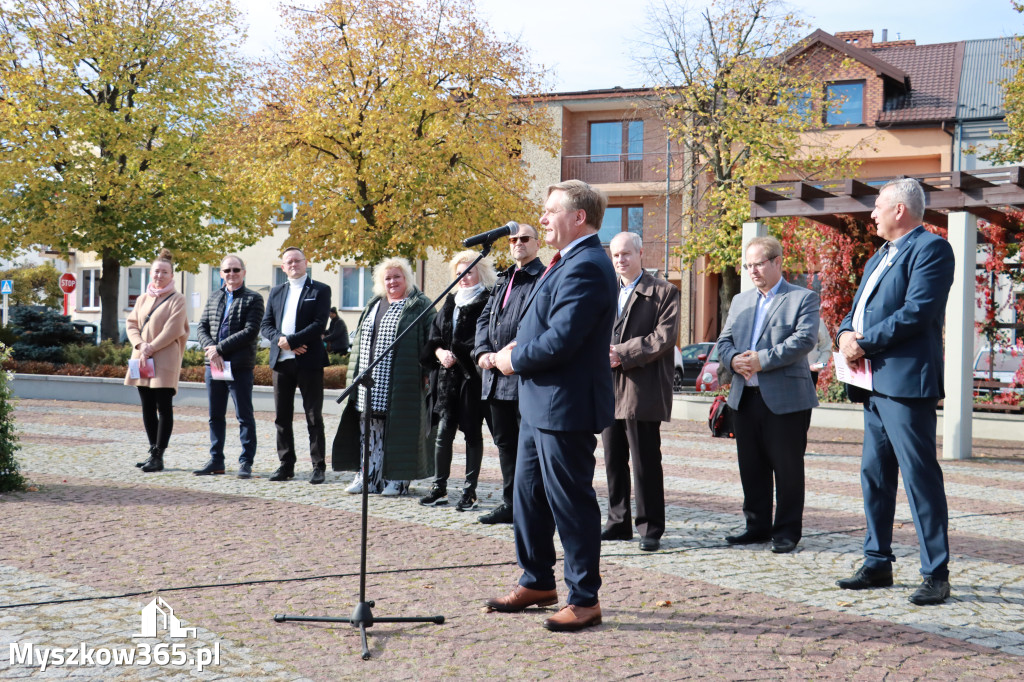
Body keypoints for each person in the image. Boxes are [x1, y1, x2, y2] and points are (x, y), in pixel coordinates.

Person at [486, 180, 616, 633]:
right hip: (539, 402)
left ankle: (584, 598)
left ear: (578, 217)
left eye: (549, 211)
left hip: (566, 405)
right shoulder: (564, 262)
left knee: (570, 503)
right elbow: (545, 324)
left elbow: (562, 340)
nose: (541, 220)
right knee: (527, 496)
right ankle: (537, 580)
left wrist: (512, 358)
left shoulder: (589, 265)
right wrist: (520, 344)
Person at [835, 177, 955, 606]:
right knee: (875, 475)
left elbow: (917, 312)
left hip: (906, 385)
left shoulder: (931, 249)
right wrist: (846, 333)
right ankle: (876, 561)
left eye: (878, 207)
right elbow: (855, 309)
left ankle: (935, 572)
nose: (872, 214)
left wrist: (863, 343)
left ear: (900, 210)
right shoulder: (878, 257)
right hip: (871, 384)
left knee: (920, 478)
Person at [717, 236, 819, 555]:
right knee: (752, 466)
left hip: (786, 400)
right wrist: (733, 359)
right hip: (745, 398)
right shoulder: (740, 301)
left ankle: (787, 531)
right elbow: (723, 341)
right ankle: (756, 526)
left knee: (787, 468)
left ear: (777, 262)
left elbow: (803, 341)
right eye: (748, 266)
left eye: (759, 264)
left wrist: (761, 360)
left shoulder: (803, 298)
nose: (753, 271)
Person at [600, 232, 680, 553]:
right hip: (607, 389)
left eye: (626, 254)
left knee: (645, 461)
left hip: (641, 389)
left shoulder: (663, 292)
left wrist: (622, 352)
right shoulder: (605, 293)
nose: (620, 260)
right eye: (616, 255)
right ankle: (618, 523)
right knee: (612, 459)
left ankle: (650, 528)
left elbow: (665, 337)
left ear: (641, 253)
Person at [332, 257, 436, 496]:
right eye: (387, 278)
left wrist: (429, 374)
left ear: (407, 278)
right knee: (369, 429)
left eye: (397, 277)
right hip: (370, 380)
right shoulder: (374, 303)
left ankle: (398, 479)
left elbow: (433, 340)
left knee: (400, 430)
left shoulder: (419, 305)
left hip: (402, 380)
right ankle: (368, 476)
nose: (392, 282)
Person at [474, 224, 546, 524]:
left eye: (524, 239)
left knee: (529, 449)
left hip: (523, 378)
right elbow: (484, 318)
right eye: (513, 239)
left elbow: (537, 324)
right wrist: (481, 353)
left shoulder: (543, 278)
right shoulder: (504, 279)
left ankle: (532, 507)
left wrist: (509, 353)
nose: (518, 243)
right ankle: (510, 504)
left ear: (537, 243)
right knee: (505, 445)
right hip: (493, 378)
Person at [419, 251, 495, 511]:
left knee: (473, 434)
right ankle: (439, 488)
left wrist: (459, 354)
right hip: (446, 380)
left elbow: (486, 338)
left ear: (480, 273)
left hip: (471, 378)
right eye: (460, 273)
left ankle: (469, 491)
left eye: (469, 272)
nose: (464, 278)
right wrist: (440, 353)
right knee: (443, 435)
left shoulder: (488, 300)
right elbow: (435, 336)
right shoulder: (450, 301)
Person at [261, 247, 332, 484]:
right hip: (281, 363)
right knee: (282, 417)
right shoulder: (277, 291)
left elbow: (319, 324)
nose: (293, 265)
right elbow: (266, 325)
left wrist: (292, 341)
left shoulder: (320, 290)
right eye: (288, 262)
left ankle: (318, 466)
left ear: (306, 263)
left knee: (313, 416)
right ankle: (285, 465)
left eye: (297, 261)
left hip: (309, 362)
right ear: (283, 267)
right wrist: (282, 341)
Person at [194, 255, 265, 478]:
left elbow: (251, 331)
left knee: (244, 415)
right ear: (221, 274)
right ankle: (216, 460)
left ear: (244, 272)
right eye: (227, 271)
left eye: (236, 270)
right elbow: (202, 327)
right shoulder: (214, 297)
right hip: (213, 365)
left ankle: (245, 461)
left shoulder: (254, 299)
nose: (231, 274)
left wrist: (220, 348)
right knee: (215, 415)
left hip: (239, 366)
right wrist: (211, 349)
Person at [125, 249, 189, 473]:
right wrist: (141, 345)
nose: (159, 276)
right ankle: (152, 450)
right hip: (142, 357)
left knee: (164, 406)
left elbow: (174, 329)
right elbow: (131, 324)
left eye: (164, 272)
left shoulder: (178, 299)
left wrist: (151, 347)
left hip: (164, 358)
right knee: (147, 406)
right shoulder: (143, 298)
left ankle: (159, 455)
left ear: (171, 275)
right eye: (156, 272)